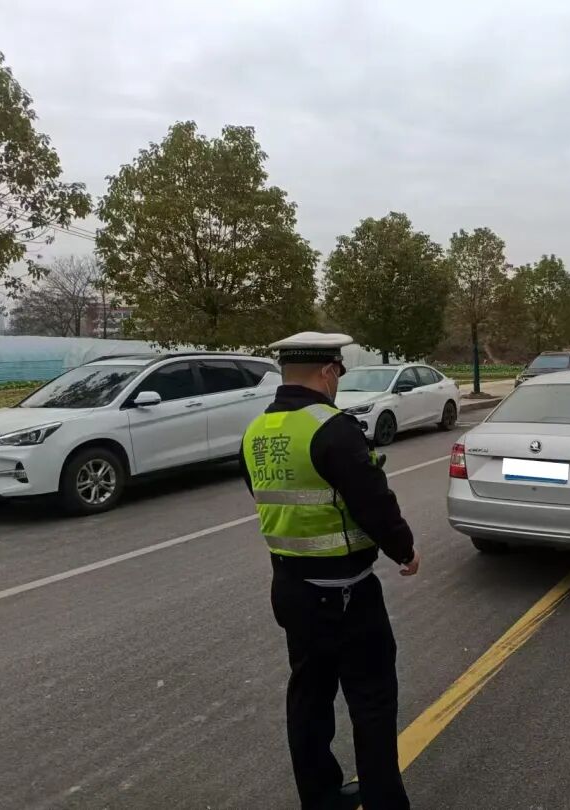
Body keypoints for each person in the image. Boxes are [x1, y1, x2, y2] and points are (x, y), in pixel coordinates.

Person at [239, 332, 419, 810]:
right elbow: (372, 501)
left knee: (309, 699)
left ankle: (320, 798)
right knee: (372, 699)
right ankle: (384, 802)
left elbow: (263, 495)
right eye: (337, 371)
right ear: (326, 371)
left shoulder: (256, 431)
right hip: (347, 593)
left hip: (291, 588)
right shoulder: (334, 428)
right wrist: (404, 550)